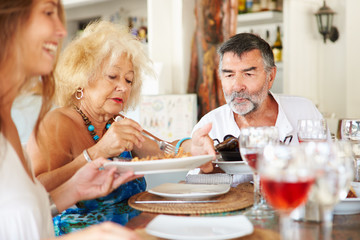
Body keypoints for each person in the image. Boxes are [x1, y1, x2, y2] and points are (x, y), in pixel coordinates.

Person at [27, 20, 215, 235]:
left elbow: (163, 151)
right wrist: (97, 152)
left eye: (129, 80)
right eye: (113, 76)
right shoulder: (56, 123)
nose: (123, 87)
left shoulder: (115, 122)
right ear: (82, 77)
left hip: (135, 232)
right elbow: (32, 190)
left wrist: (193, 146)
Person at [0, 0, 142, 239]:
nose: (62, 30)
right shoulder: (54, 122)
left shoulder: (8, 125)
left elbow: (30, 220)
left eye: (128, 80)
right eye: (48, 12)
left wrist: (74, 189)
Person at [191, 32, 324, 147]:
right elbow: (193, 174)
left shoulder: (303, 112)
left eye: (248, 74)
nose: (237, 86)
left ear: (270, 76)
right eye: (229, 75)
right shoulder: (209, 127)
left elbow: (326, 165)